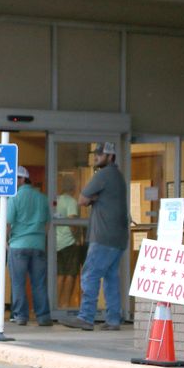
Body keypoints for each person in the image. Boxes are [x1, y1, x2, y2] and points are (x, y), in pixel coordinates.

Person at [64, 142, 129, 331]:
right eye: (96, 154)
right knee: (110, 279)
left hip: (103, 237)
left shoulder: (104, 175)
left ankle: (86, 316)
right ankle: (113, 319)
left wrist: (94, 198)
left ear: (110, 157)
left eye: (100, 155)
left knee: (90, 274)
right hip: (118, 238)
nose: (96, 157)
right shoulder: (118, 177)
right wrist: (97, 198)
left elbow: (82, 199)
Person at [7, 166, 54, 326]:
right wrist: (40, 237)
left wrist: (7, 242)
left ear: (21, 179)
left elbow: (8, 223)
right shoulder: (41, 197)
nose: (12, 183)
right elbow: (48, 223)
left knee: (18, 282)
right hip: (38, 244)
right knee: (39, 283)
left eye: (15, 179)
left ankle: (21, 316)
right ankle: (43, 316)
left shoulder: (14, 198)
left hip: (18, 244)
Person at [54, 174, 81, 308]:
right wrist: (77, 238)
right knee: (71, 273)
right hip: (69, 242)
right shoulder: (71, 201)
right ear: (73, 186)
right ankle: (65, 303)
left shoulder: (57, 200)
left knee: (60, 274)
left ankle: (57, 303)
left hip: (57, 243)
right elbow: (72, 221)